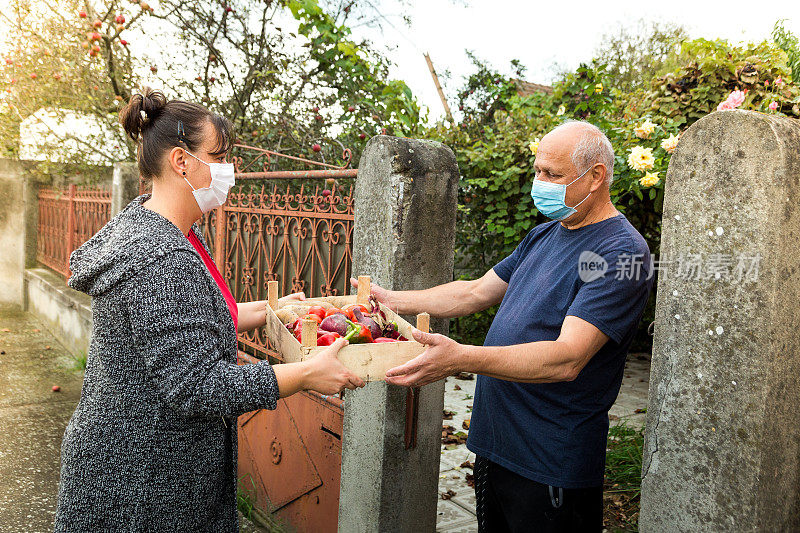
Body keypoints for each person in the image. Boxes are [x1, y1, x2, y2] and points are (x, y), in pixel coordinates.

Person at [53, 87, 365, 531]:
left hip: (140, 466)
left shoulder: (157, 222)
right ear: (182, 162)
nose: (228, 170)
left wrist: (269, 311)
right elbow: (194, 384)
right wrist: (306, 375)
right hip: (141, 487)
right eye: (218, 157)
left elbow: (187, 323)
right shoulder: (160, 258)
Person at [354, 121, 653, 532]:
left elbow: (567, 358)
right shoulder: (544, 235)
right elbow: (475, 292)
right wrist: (392, 300)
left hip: (549, 460)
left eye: (553, 174)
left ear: (596, 176)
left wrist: (461, 358)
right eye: (538, 171)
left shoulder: (620, 252)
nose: (540, 182)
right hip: (497, 444)